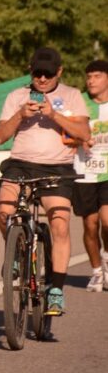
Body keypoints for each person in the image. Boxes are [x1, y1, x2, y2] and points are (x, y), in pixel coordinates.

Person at [0, 47, 91, 315]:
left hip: (57, 167)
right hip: (20, 164)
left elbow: (84, 132)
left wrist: (54, 115)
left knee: (59, 224)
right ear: (30, 71)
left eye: (48, 74)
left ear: (59, 72)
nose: (43, 79)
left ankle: (56, 289)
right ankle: (14, 253)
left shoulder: (72, 95)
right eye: (38, 73)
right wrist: (20, 115)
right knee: (5, 212)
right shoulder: (17, 96)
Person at [72, 59, 108, 292]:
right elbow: (66, 133)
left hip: (107, 172)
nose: (91, 81)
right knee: (90, 225)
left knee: (107, 220)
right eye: (89, 77)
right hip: (84, 172)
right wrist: (80, 139)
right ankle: (96, 271)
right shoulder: (80, 103)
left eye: (97, 76)